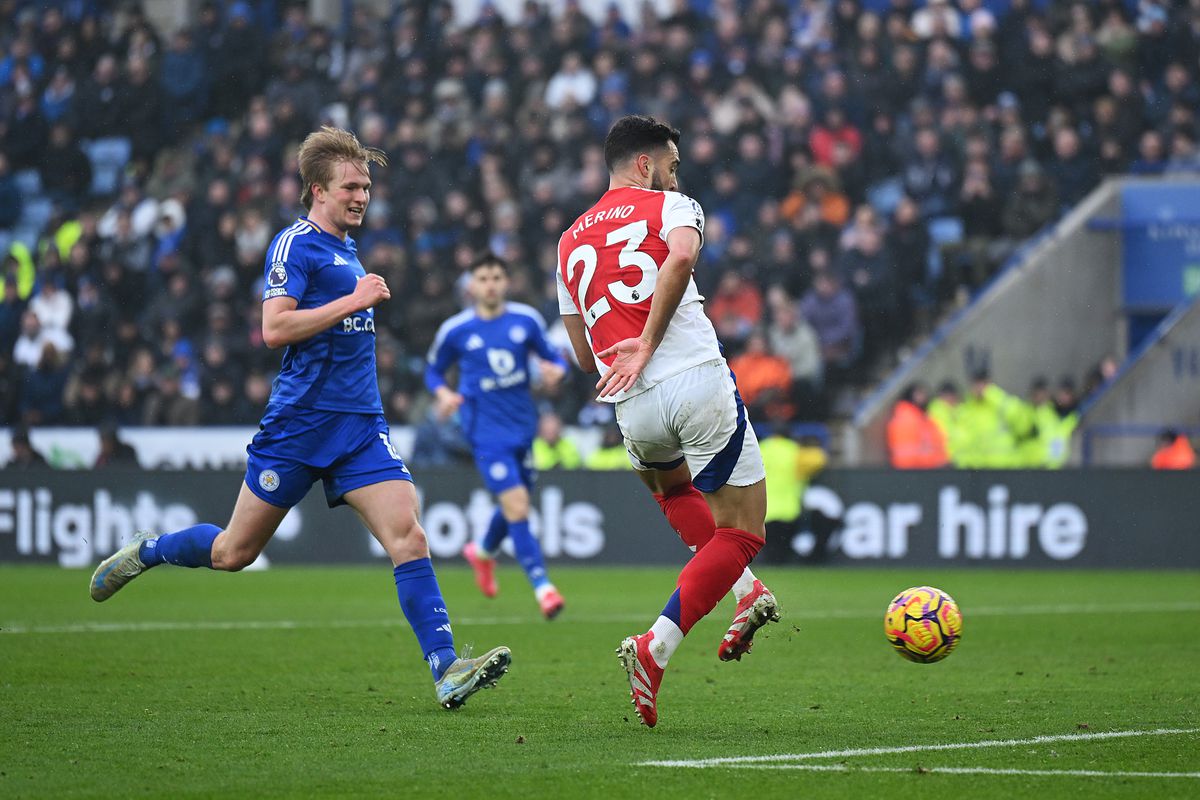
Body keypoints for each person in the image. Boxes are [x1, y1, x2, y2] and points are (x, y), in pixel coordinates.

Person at [89, 127, 510, 711]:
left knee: (409, 537)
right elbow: (274, 329)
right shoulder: (296, 245)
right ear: (317, 190)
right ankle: (150, 550)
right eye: (350, 188)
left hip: (361, 425)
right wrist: (352, 301)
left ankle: (446, 669)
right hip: (299, 424)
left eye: (366, 187)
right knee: (234, 553)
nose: (362, 197)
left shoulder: (347, 248)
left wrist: (352, 303)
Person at [557, 115, 778, 728]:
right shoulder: (672, 206)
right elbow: (680, 260)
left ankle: (745, 590)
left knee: (674, 492)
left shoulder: (569, 240)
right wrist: (651, 341)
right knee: (743, 531)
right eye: (672, 165)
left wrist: (627, 357)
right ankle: (655, 648)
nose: (676, 176)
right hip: (694, 378)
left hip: (632, 403)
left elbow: (582, 351)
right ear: (647, 165)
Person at [425, 252, 569, 619]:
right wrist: (444, 395)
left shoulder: (526, 321)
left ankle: (484, 551)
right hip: (485, 433)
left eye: (496, 278)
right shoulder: (456, 330)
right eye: (483, 278)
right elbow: (433, 372)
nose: (490, 285)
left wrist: (556, 371)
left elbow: (555, 359)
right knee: (519, 505)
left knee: (515, 503)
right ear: (472, 286)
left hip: (523, 428)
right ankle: (543, 588)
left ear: (506, 282)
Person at [887, 382, 948, 469]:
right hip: (913, 469)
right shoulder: (906, 417)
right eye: (919, 394)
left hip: (926, 468)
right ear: (910, 396)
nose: (923, 397)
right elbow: (907, 452)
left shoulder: (921, 417)